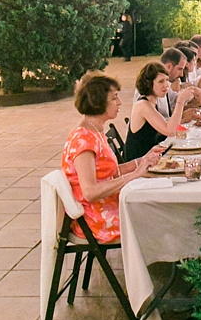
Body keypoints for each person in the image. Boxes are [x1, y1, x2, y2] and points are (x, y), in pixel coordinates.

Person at [62, 72, 163, 243]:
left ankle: (160, 264)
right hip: (95, 219)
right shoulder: (83, 140)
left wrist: (143, 160)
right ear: (98, 102)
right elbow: (90, 192)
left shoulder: (95, 130)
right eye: (114, 98)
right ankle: (156, 265)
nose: (120, 103)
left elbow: (109, 172)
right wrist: (134, 175)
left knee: (158, 207)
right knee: (157, 218)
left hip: (107, 206)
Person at [125, 62, 196, 162]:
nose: (166, 85)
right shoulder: (143, 105)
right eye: (161, 81)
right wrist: (180, 101)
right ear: (148, 84)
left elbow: (170, 127)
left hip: (151, 158)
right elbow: (170, 131)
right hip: (138, 164)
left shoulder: (153, 102)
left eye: (167, 80)